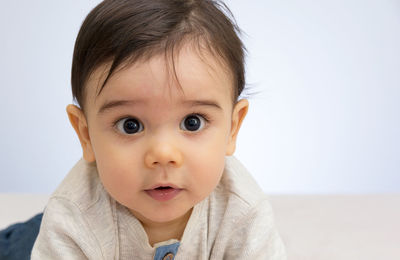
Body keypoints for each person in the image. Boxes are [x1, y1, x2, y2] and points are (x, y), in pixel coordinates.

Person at [31, 0, 286, 259]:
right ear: (86, 135)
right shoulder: (72, 218)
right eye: (130, 125)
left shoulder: (243, 212)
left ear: (232, 128)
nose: (163, 154)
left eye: (192, 122)